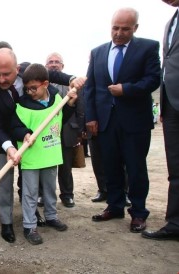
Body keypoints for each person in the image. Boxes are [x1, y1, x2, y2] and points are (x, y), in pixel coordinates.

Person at [0, 48, 85, 243]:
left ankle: (36, 215)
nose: (2, 79)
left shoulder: (29, 74)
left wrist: (72, 78)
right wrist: (9, 147)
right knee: (4, 184)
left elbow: (50, 74)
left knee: (32, 183)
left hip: (36, 143)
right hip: (5, 139)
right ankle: (7, 223)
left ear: (17, 68)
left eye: (6, 74)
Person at [84, 8, 161, 233]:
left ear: (135, 28)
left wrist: (126, 89)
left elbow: (153, 79)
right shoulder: (98, 52)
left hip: (135, 121)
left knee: (136, 168)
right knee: (111, 166)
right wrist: (91, 117)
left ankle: (138, 213)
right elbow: (91, 88)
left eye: (125, 29)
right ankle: (114, 206)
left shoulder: (147, 48)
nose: (118, 33)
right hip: (106, 122)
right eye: (115, 28)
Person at [11, 63, 77, 244]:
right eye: (27, 88)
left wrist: (70, 104)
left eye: (34, 88)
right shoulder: (22, 105)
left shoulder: (56, 98)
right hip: (32, 157)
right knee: (30, 192)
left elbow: (61, 118)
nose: (30, 92)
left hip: (51, 154)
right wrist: (23, 133)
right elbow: (15, 126)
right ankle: (29, 225)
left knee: (49, 189)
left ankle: (51, 216)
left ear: (46, 84)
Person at [141, 0, 179, 241]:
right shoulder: (170, 22)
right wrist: (165, 103)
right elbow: (168, 66)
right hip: (172, 103)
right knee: (175, 168)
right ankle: (175, 222)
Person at [45, 52, 84, 208]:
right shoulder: (43, 84)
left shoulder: (73, 84)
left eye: (57, 62)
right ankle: (44, 195)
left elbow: (80, 107)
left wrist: (80, 130)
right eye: (51, 62)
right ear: (46, 66)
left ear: (63, 65)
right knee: (46, 165)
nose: (54, 64)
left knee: (66, 165)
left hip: (67, 130)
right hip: (47, 131)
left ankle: (67, 195)